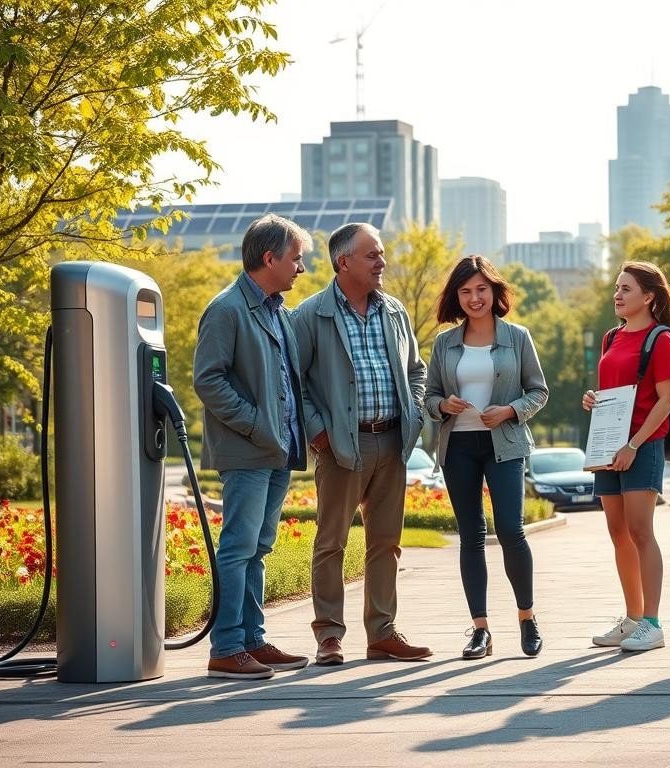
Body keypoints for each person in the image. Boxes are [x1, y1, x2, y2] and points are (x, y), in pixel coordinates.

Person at [292, 222, 430, 666]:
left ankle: (382, 634)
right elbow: (295, 383)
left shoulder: (395, 311)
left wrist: (415, 412)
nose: (381, 262)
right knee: (331, 542)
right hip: (339, 447)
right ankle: (329, 636)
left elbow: (416, 370)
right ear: (343, 262)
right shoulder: (310, 315)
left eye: (382, 254)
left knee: (386, 543)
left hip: (392, 441)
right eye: (372, 255)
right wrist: (319, 432)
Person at [194, 214, 312, 679]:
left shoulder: (277, 311)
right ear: (270, 258)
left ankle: (252, 641)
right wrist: (256, 425)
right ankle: (226, 648)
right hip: (248, 449)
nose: (301, 267)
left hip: (277, 450)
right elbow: (209, 380)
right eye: (296, 258)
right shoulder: (227, 309)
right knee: (238, 547)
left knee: (258, 547)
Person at [425, 256, 548, 659]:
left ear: (494, 291)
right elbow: (429, 395)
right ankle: (480, 630)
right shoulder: (444, 343)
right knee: (471, 535)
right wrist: (443, 405)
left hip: (505, 445)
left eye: (481, 289)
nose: (474, 298)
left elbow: (538, 391)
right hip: (458, 446)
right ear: (456, 296)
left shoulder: (517, 337)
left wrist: (510, 410)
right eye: (465, 291)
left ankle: (527, 618)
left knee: (511, 530)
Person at [582, 261, 670, 653]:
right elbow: (615, 391)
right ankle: (632, 619)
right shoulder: (611, 338)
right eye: (617, 287)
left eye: (626, 289)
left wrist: (633, 445)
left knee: (640, 531)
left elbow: (666, 400)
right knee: (617, 532)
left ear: (649, 296)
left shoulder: (660, 339)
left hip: (642, 446)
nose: (617, 294)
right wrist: (593, 399)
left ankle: (652, 623)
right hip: (607, 446)